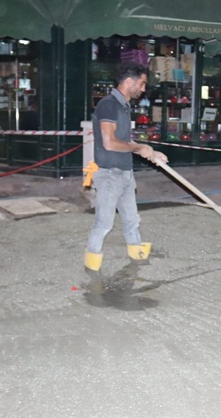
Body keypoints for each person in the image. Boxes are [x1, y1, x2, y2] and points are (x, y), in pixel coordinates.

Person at [84, 61, 168, 272]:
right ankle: (91, 265)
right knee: (104, 223)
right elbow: (109, 142)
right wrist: (139, 148)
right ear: (129, 81)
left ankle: (137, 254)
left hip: (125, 172)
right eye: (142, 83)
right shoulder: (108, 104)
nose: (143, 89)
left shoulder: (123, 105)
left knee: (132, 219)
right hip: (109, 174)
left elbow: (123, 141)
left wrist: (151, 152)